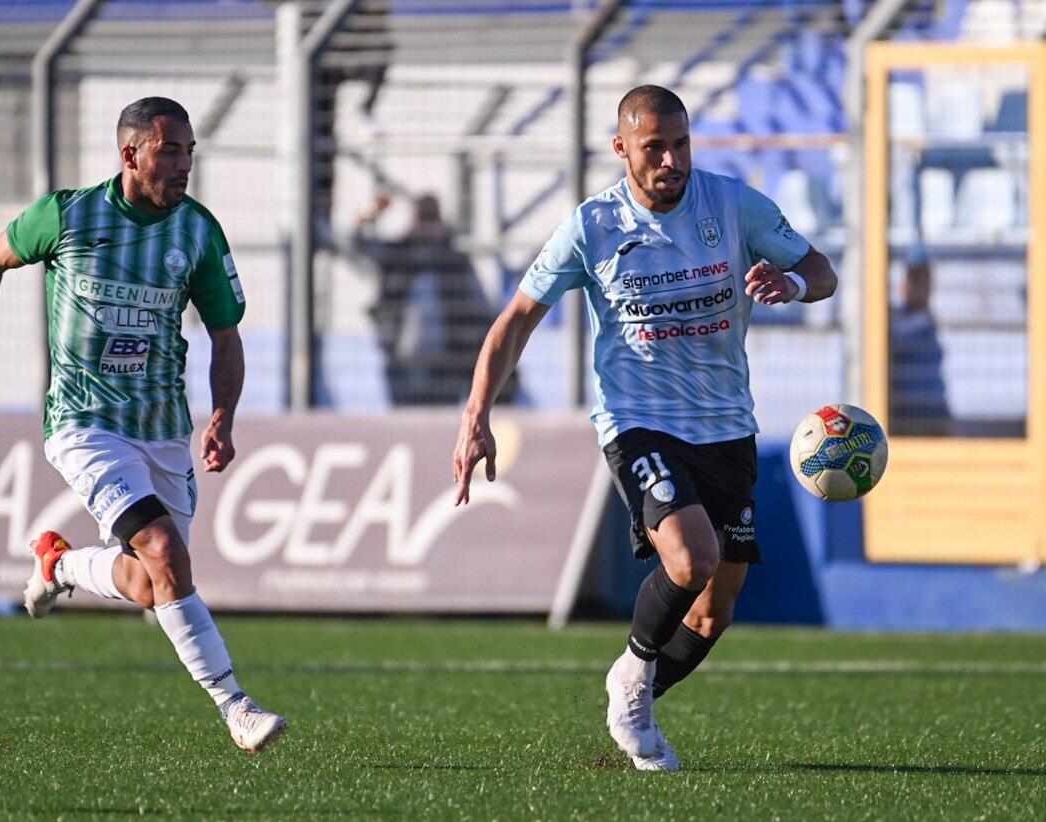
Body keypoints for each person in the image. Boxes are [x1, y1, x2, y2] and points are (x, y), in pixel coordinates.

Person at [452, 85, 837, 771]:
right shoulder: (592, 226)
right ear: (622, 149)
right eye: (653, 147)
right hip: (638, 423)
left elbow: (820, 269)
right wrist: (476, 414)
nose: (670, 160)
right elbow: (515, 320)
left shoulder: (732, 205)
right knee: (690, 559)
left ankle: (637, 694)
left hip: (727, 426)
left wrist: (794, 286)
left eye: (680, 144)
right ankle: (632, 672)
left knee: (713, 611)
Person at [0, 96, 287, 754]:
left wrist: (222, 416)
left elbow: (226, 335)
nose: (184, 165)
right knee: (164, 550)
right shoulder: (67, 216)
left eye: (190, 152)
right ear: (131, 154)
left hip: (162, 426)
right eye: (170, 151)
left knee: (148, 583)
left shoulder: (198, 231)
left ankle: (59, 566)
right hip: (85, 424)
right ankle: (236, 707)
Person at [354, 192, 512, 405]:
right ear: (413, 220)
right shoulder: (398, 254)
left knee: (441, 418)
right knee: (407, 417)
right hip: (402, 361)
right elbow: (357, 241)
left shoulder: (454, 259)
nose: (426, 226)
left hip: (447, 362)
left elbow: (480, 308)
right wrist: (371, 212)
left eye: (431, 218)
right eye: (423, 218)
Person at [889, 249, 950, 435]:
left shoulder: (927, 322)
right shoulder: (899, 322)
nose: (926, 290)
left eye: (928, 284)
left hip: (934, 414)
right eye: (920, 283)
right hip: (905, 415)